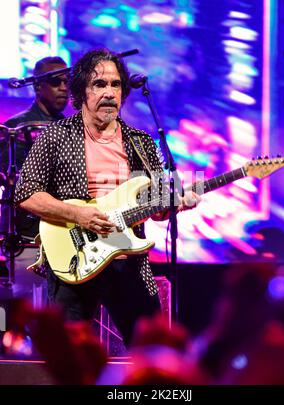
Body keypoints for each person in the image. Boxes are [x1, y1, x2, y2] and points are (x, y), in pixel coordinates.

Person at [14, 48, 200, 347]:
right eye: (99, 84)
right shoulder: (56, 136)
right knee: (68, 356)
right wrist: (78, 214)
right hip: (75, 260)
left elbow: (155, 209)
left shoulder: (140, 142)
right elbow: (25, 194)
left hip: (130, 259)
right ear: (81, 91)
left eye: (115, 85)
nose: (109, 92)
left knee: (153, 350)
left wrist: (176, 204)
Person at [0, 56, 69, 240]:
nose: (63, 87)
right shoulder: (14, 126)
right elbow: (7, 176)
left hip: (64, 231)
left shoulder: (72, 128)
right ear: (38, 86)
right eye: (55, 81)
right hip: (24, 234)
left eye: (67, 81)